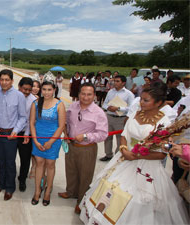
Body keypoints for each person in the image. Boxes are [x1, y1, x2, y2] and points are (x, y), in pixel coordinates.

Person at [79, 84, 189, 225]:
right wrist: (124, 149)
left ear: (159, 103)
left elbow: (161, 154)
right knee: (110, 190)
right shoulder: (137, 113)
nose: (141, 103)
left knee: (136, 201)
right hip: (124, 158)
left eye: (146, 100)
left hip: (146, 164)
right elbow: (125, 134)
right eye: (141, 99)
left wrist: (137, 155)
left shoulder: (165, 123)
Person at [58, 82, 108, 214]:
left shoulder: (99, 113)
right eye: (83, 94)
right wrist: (66, 133)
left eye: (89, 94)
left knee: (85, 175)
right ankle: (71, 192)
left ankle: (81, 201)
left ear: (95, 96)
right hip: (71, 145)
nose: (85, 97)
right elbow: (67, 121)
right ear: (79, 94)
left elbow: (102, 134)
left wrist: (85, 136)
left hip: (87, 148)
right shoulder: (73, 106)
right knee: (71, 170)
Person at [0, 69, 26, 201]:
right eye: (2, 79)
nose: (4, 82)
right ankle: (1, 184)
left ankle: (10, 188)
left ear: (12, 81)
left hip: (10, 134)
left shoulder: (19, 95)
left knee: (10, 162)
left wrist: (15, 131)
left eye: (7, 80)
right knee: (0, 161)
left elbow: (23, 117)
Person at [30, 81, 66, 206]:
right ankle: (37, 190)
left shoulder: (59, 105)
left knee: (50, 164)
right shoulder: (35, 103)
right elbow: (32, 123)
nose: (46, 92)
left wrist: (51, 142)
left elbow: (61, 126)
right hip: (38, 138)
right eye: (44, 89)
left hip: (53, 139)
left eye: (49, 89)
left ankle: (48, 190)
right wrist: (34, 140)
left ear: (54, 90)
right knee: (39, 163)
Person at [100, 75, 135, 161]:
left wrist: (119, 108)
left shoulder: (129, 94)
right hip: (109, 117)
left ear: (123, 83)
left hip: (121, 118)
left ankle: (117, 155)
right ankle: (108, 154)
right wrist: (108, 107)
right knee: (107, 137)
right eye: (114, 81)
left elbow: (132, 108)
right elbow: (105, 103)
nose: (115, 83)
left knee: (120, 138)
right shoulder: (110, 92)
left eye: (117, 81)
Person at [17, 77, 37, 192]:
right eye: (25, 89)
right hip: (12, 132)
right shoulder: (13, 95)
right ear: (19, 87)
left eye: (29, 90)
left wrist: (27, 134)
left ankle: (22, 179)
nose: (27, 92)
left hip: (25, 133)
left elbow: (31, 120)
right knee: (9, 158)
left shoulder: (33, 100)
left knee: (25, 159)